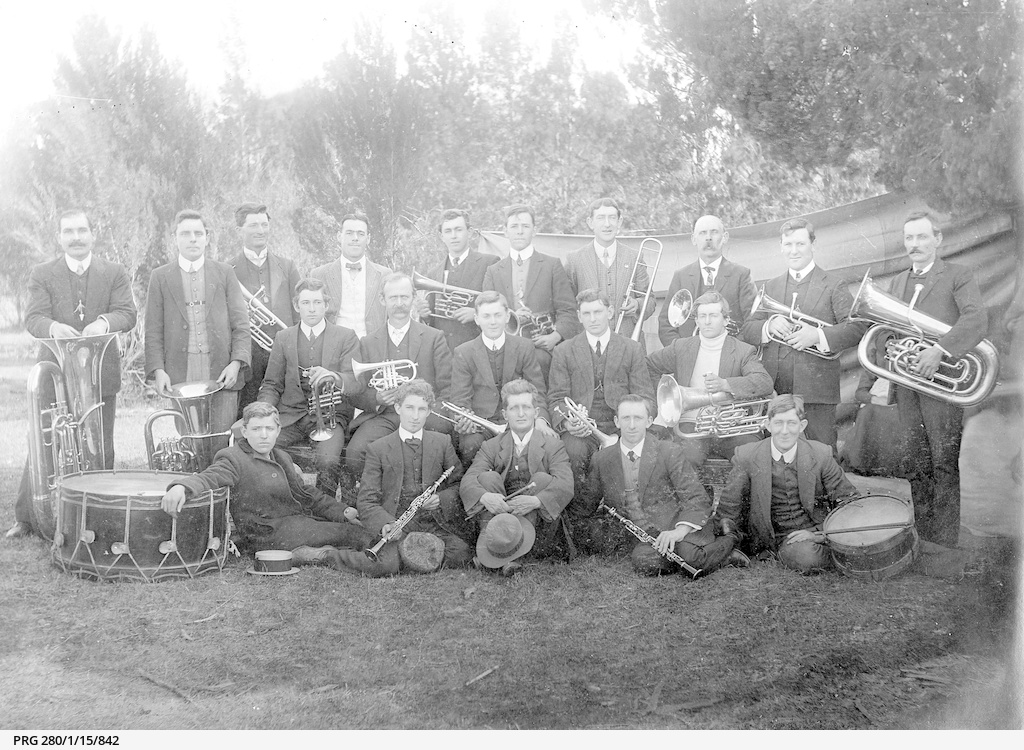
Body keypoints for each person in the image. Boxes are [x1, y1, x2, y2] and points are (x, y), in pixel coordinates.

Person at [6, 209, 138, 539]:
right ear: (59, 237)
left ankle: (101, 513)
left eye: (82, 230)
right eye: (69, 231)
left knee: (101, 446)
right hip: (56, 374)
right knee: (45, 443)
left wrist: (104, 323)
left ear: (93, 234)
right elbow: (33, 319)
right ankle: (29, 518)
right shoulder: (43, 272)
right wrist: (52, 327)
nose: (76, 237)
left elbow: (128, 314)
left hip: (99, 373)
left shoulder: (114, 271)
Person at [160, 402, 387, 576]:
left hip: (295, 525)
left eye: (269, 428)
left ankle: (310, 553)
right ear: (245, 432)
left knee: (351, 528)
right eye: (256, 429)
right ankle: (330, 556)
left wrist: (343, 511)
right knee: (352, 535)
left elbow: (305, 493)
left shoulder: (281, 456)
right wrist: (182, 486)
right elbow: (209, 477)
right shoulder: (232, 458)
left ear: (278, 430)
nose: (263, 435)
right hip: (267, 534)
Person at [888, 211, 988, 547]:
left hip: (942, 386)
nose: (914, 245)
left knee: (943, 463)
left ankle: (945, 542)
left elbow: (977, 318)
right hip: (907, 386)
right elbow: (890, 332)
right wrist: (890, 344)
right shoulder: (898, 282)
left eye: (921, 237)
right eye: (909, 239)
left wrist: (939, 350)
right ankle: (925, 537)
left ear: (937, 239)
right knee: (916, 462)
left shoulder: (958, 274)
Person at [738, 218, 867, 450]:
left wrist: (818, 336)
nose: (793, 251)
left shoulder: (833, 285)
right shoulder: (770, 286)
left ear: (813, 245)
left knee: (822, 455)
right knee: (777, 455)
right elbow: (747, 329)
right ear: (781, 246)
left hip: (817, 391)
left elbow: (856, 328)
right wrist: (769, 325)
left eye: (800, 244)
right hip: (775, 387)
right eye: (788, 244)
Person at [581, 395, 743, 574]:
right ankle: (713, 557)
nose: (632, 425)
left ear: (649, 421)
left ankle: (729, 538)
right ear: (616, 421)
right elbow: (585, 505)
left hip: (675, 525)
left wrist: (678, 532)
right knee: (645, 561)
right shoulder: (602, 458)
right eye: (626, 418)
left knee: (687, 555)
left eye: (638, 418)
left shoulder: (668, 451)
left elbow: (696, 497)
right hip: (642, 538)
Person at [144, 209, 251, 454]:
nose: (192, 239)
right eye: (185, 234)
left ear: (207, 238)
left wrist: (236, 363)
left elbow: (241, 324)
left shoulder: (224, 272)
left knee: (221, 440)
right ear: (175, 238)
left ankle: (220, 491)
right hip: (183, 371)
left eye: (198, 233)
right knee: (189, 440)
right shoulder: (160, 276)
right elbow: (152, 330)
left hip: (222, 370)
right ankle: (193, 488)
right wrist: (159, 370)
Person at [715, 394, 861, 573]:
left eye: (791, 423)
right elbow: (729, 507)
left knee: (807, 554)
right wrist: (725, 541)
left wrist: (819, 534)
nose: (785, 431)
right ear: (768, 425)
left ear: (802, 426)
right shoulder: (747, 455)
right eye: (778, 423)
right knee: (806, 557)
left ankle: (823, 549)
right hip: (765, 535)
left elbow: (849, 502)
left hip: (809, 532)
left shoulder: (821, 454)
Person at [344, 272, 455, 483]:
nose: (399, 303)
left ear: (413, 297)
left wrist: (426, 411)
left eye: (404, 297)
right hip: (385, 416)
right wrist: (376, 399)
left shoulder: (433, 337)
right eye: (393, 298)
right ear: (382, 300)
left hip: (423, 415)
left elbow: (448, 387)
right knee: (355, 452)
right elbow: (357, 393)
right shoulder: (368, 342)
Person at [258, 277, 360, 498]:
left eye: (317, 302)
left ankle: (325, 512)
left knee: (328, 461)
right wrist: (262, 412)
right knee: (259, 445)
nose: (311, 309)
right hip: (291, 416)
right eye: (305, 303)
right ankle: (283, 502)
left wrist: (334, 376)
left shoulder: (346, 336)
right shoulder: (283, 338)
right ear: (297, 306)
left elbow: (355, 382)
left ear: (326, 304)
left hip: (330, 416)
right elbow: (272, 384)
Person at [356, 379, 471, 575]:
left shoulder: (442, 442)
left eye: (421, 409)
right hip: (398, 523)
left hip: (433, 522)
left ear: (428, 412)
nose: (415, 416)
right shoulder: (378, 448)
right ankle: (327, 555)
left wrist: (440, 499)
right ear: (398, 408)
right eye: (409, 408)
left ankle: (413, 555)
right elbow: (366, 500)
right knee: (386, 564)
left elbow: (458, 483)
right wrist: (387, 523)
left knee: (461, 552)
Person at [460, 379, 574, 575]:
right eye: (514, 408)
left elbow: (566, 484)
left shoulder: (553, 445)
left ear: (536, 412)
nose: (521, 414)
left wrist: (536, 501)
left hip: (539, 524)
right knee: (487, 480)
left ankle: (503, 557)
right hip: (500, 520)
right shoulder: (492, 445)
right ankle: (499, 549)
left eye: (526, 407)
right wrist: (485, 497)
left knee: (542, 479)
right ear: (505, 414)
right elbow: (469, 480)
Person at [647, 292, 773, 468]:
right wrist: (662, 401)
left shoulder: (743, 351)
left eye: (713, 316)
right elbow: (648, 365)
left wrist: (726, 384)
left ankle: (731, 496)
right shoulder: (681, 347)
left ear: (726, 320)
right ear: (696, 321)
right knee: (684, 461)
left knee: (752, 458)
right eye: (702, 316)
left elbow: (764, 381)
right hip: (691, 425)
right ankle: (699, 497)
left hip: (732, 426)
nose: (707, 321)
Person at [548, 289, 653, 478]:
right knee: (572, 452)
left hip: (620, 425)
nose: (593, 319)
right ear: (579, 316)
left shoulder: (632, 348)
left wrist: (630, 422)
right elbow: (556, 398)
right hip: (582, 430)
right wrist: (567, 422)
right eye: (587, 314)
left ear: (610, 312)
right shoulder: (563, 350)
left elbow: (644, 396)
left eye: (598, 312)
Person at [450, 290, 551, 466]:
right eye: (486, 316)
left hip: (519, 419)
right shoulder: (463, 352)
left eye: (498, 315)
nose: (493, 321)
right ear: (476, 319)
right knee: (470, 443)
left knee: (541, 444)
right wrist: (464, 419)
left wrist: (541, 419)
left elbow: (537, 390)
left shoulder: (524, 346)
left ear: (507, 317)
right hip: (482, 425)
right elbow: (460, 399)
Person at [482, 204, 578, 375]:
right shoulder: (493, 270)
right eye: (514, 226)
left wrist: (555, 337)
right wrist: (510, 317)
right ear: (505, 231)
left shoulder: (552, 265)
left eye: (525, 226)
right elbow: (486, 312)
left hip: (542, 352)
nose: (520, 231)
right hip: (504, 350)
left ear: (534, 231)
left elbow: (568, 310)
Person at [230, 202, 301, 418]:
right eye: (253, 225)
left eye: (264, 224)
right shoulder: (227, 270)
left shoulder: (287, 267)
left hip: (283, 354)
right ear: (239, 230)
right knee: (247, 413)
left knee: (285, 411)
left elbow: (299, 311)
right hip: (248, 359)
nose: (260, 230)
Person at [564, 198, 655, 342]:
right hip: (589, 345)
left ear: (619, 222)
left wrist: (637, 305)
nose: (607, 224)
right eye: (601, 218)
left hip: (629, 344)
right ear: (590, 223)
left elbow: (650, 301)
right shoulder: (574, 260)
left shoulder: (635, 257)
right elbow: (566, 307)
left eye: (612, 218)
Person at [658, 215, 756, 344]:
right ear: (693, 239)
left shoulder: (741, 274)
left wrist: (733, 353)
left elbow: (752, 322)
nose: (708, 238)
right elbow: (666, 324)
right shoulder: (681, 276)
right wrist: (681, 353)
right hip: (688, 357)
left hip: (730, 357)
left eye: (714, 232)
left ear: (725, 237)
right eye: (702, 233)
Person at [414, 208, 499, 352]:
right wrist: (425, 316)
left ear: (469, 232)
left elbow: (499, 305)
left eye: (458, 229)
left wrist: (477, 314)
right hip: (444, 351)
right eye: (448, 231)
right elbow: (433, 321)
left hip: (479, 350)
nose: (453, 236)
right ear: (441, 236)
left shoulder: (489, 263)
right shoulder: (434, 273)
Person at [311, 212, 391, 339]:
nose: (355, 238)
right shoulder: (319, 274)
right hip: (334, 349)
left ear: (368, 239)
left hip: (373, 349)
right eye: (349, 233)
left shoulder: (385, 275)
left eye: (360, 234)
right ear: (339, 236)